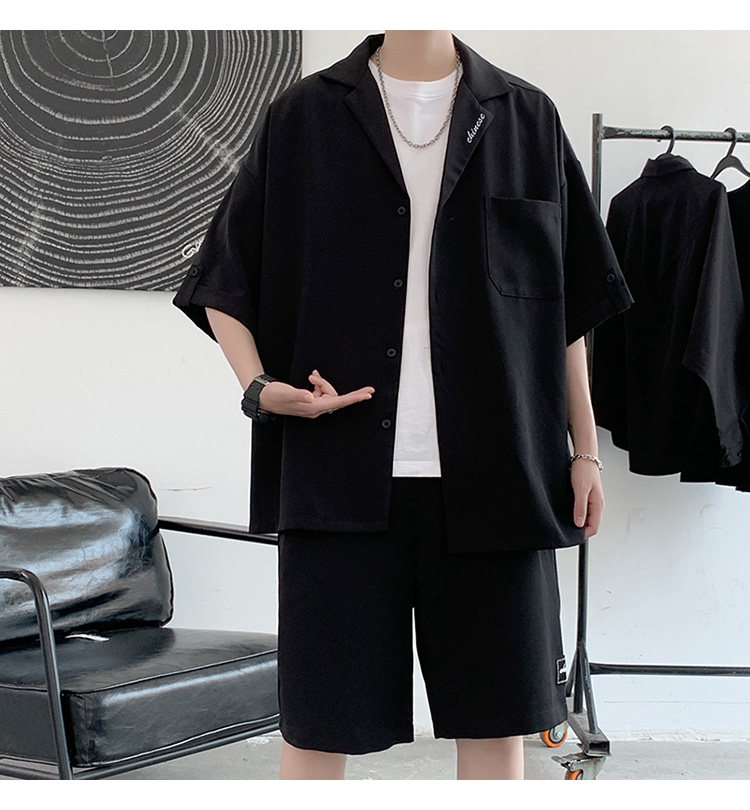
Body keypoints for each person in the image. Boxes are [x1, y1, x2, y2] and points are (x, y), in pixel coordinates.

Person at [172, 30, 634, 780]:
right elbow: (223, 273)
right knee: (318, 729)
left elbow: (566, 308)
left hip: (501, 479)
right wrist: (257, 387)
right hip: (337, 483)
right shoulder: (303, 116)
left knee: (499, 726)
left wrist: (585, 452)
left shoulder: (527, 117)